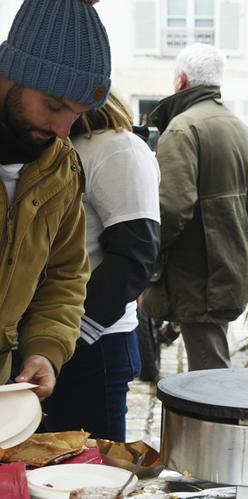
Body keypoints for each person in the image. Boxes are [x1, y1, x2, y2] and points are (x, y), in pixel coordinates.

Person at [0, 0, 111, 399]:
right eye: (54, 106)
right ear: (10, 75)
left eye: (78, 114)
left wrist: (46, 350)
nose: (64, 130)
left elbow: (65, 276)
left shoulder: (62, 170)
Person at [39, 91, 161, 441]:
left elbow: (134, 258)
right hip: (54, 337)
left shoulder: (117, 147)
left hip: (95, 343)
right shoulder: (61, 146)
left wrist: (66, 337)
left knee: (92, 473)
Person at [140, 43, 248, 371]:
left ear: (181, 80)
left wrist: (144, 256)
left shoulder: (182, 129)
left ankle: (220, 426)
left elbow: (170, 210)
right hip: (226, 273)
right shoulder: (239, 127)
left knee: (210, 382)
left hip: (199, 281)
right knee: (211, 369)